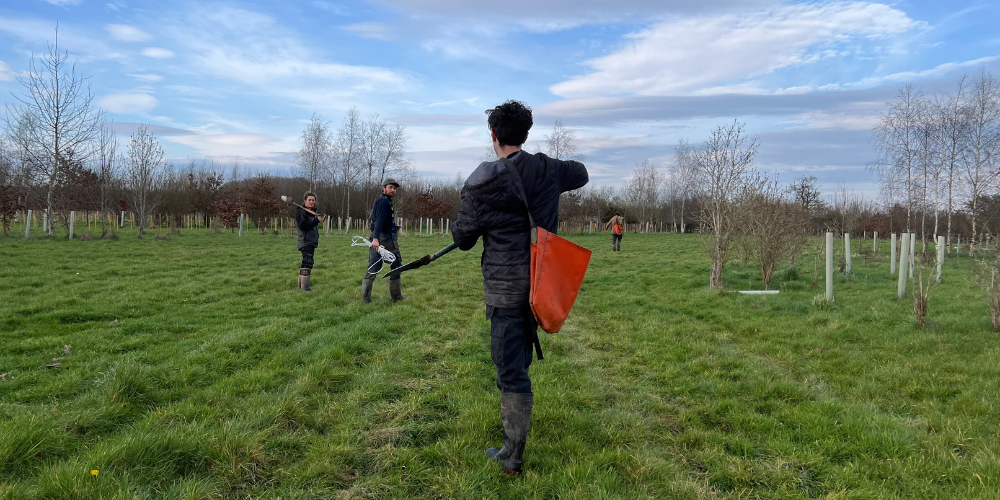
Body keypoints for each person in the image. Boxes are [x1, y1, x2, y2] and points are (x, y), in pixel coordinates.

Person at [451, 100, 588, 475]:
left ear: (493, 136)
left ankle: (512, 455)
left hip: (506, 289)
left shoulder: (480, 182)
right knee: (518, 363)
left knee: (510, 370)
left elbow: (462, 237)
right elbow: (582, 173)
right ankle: (515, 436)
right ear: (525, 135)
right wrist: (548, 169)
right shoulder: (548, 169)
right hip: (542, 285)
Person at [362, 178, 405, 303]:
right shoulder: (383, 201)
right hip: (383, 239)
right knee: (388, 265)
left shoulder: (385, 201)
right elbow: (378, 221)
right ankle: (395, 297)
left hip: (384, 236)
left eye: (395, 188)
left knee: (380, 266)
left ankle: (367, 300)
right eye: (391, 187)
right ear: (384, 187)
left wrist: (393, 226)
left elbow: (380, 219)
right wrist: (375, 239)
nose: (393, 190)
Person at [296, 192, 325, 292]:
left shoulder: (311, 212)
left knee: (305, 262)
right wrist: (316, 220)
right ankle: (305, 287)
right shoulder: (302, 212)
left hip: (311, 241)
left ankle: (301, 285)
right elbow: (303, 226)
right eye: (309, 200)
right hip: (305, 241)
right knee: (308, 262)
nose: (312, 202)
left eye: (313, 200)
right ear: (305, 201)